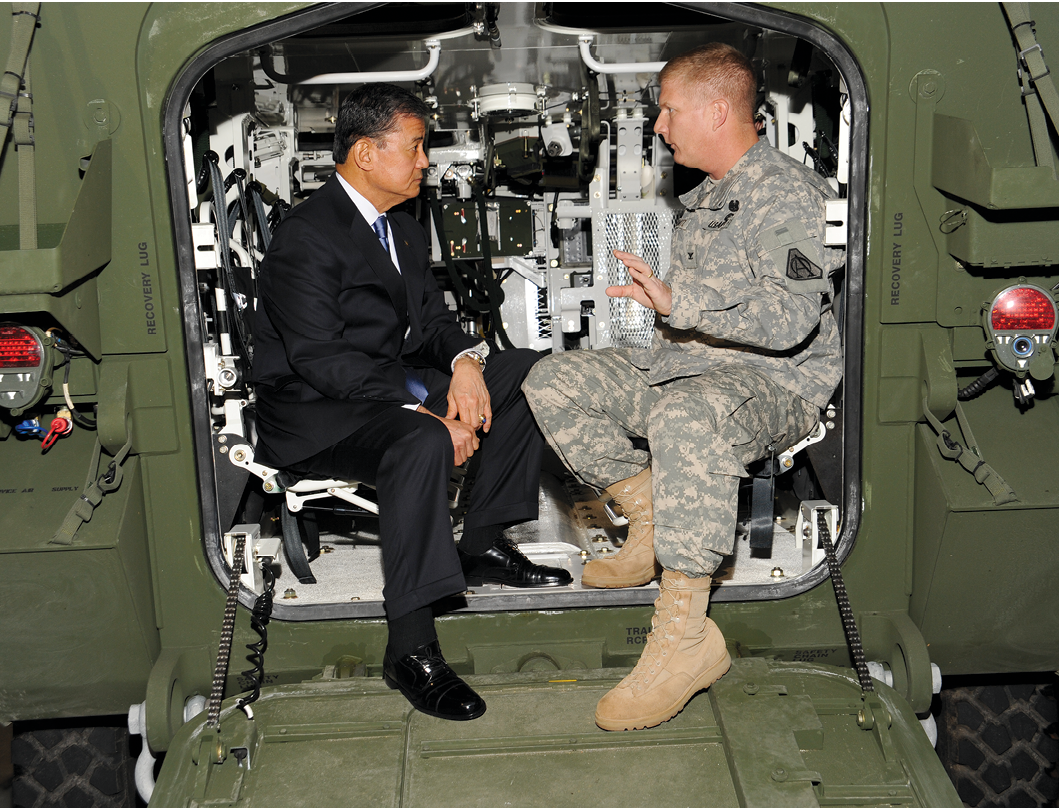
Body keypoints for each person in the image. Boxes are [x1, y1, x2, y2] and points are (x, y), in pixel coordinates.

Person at [523, 43, 842, 731]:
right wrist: (668, 318)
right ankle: (651, 521)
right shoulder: (711, 195)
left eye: (669, 111)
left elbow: (789, 320)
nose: (662, 127)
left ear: (717, 109)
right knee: (555, 380)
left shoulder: (784, 192)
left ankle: (686, 637)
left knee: (684, 417)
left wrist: (678, 301)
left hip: (772, 385)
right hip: (691, 369)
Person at [250, 82, 571, 722]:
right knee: (421, 439)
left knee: (527, 371)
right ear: (367, 153)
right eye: (416, 147)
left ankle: (479, 541)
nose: (427, 161)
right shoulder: (306, 238)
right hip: (317, 412)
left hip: (383, 384)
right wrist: (420, 405)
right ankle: (411, 647)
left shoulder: (401, 227)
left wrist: (464, 364)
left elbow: (431, 322)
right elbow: (322, 359)